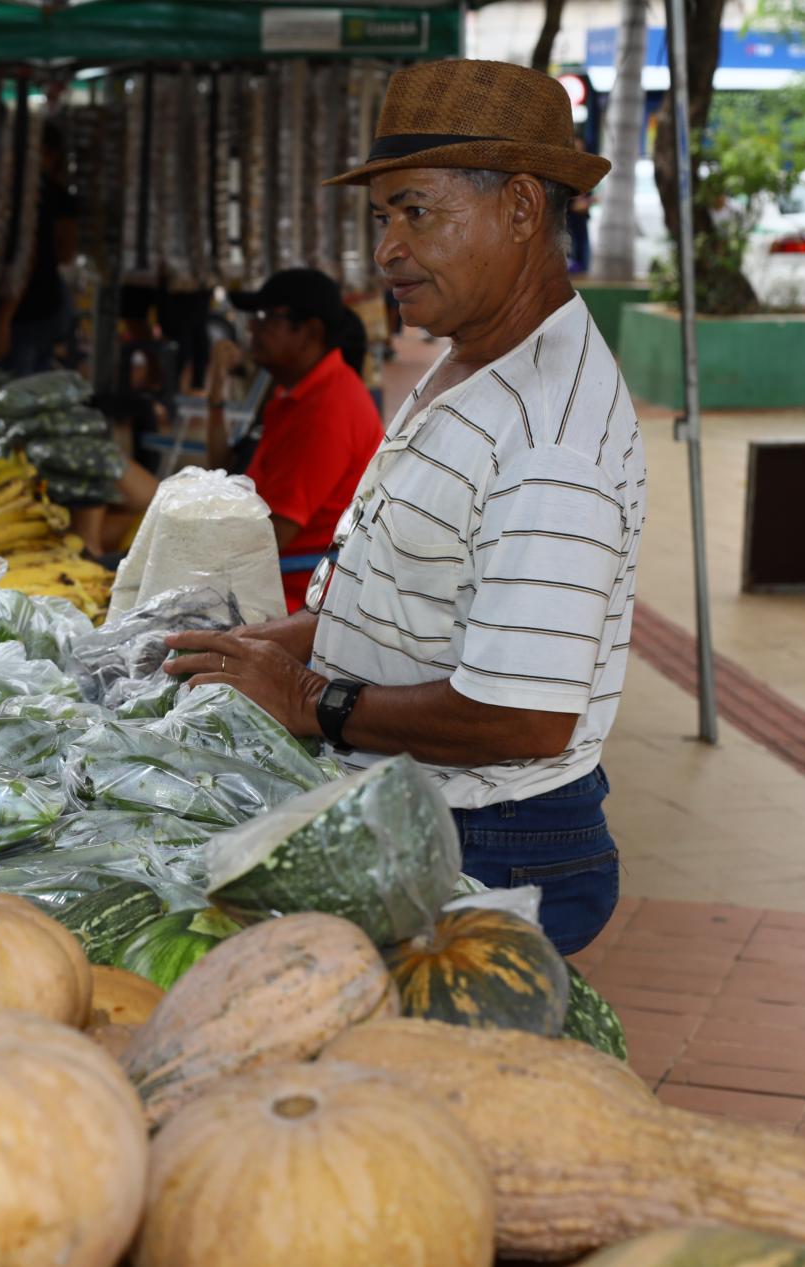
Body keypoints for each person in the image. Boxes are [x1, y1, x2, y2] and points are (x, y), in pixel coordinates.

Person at [167, 59, 642, 956]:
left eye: (416, 212)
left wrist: (311, 699)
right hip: (420, 811)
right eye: (382, 217)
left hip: (487, 844)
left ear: (521, 209)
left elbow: (524, 717)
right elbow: (401, 597)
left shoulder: (551, 440)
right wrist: (261, 649)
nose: (385, 249)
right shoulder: (473, 358)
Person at [204, 269, 384, 610]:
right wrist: (216, 393)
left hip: (292, 600)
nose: (251, 329)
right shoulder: (297, 392)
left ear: (310, 331)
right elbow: (222, 471)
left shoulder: (326, 409)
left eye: (265, 318)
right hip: (271, 580)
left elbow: (270, 540)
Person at [0, 121, 80, 376]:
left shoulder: (23, 196)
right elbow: (66, 253)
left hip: (26, 312)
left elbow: (29, 256)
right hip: (43, 305)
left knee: (16, 389)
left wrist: (3, 320)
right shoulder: (52, 195)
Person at [567, 135, 596, 275]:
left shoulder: (585, 173)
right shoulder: (564, 172)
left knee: (583, 256)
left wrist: (587, 202)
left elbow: (589, 197)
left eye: (581, 149)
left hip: (581, 220)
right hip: (568, 221)